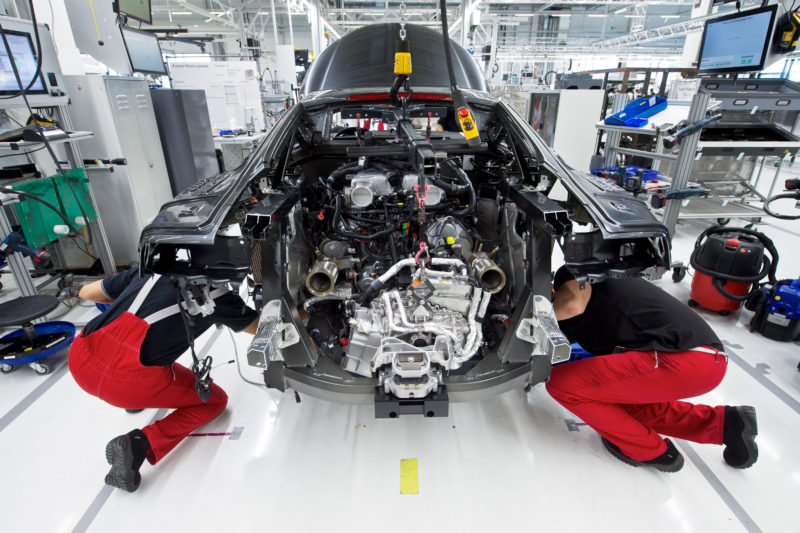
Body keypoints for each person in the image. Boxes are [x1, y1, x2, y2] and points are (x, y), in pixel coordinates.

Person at [547, 265, 758, 472]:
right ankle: (726, 425)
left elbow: (571, 304)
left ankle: (651, 451)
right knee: (612, 401)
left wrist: (527, 320)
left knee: (562, 385)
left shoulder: (576, 271)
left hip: (680, 357)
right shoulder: (595, 299)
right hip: (706, 360)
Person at [68, 267, 259, 492]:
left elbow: (87, 293)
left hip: (80, 359)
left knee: (143, 353)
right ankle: (139, 444)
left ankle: (137, 402)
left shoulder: (151, 271)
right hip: (126, 387)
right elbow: (258, 327)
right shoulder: (217, 297)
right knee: (214, 400)